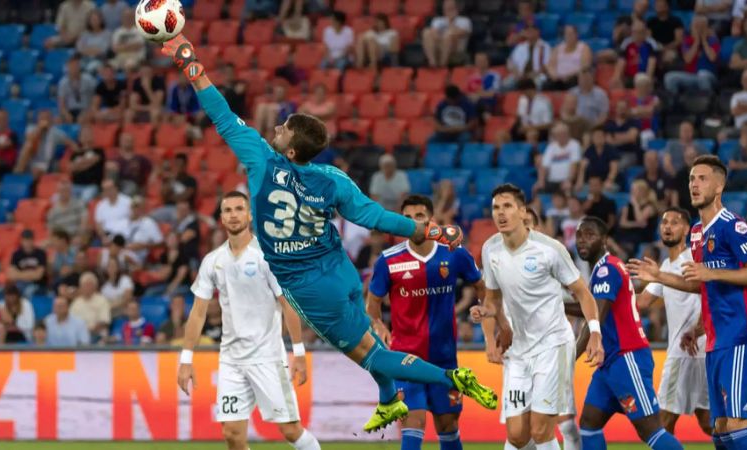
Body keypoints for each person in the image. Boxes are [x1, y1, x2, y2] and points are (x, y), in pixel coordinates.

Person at [162, 33, 497, 433]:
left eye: (285, 127)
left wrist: (189, 61)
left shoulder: (260, 162)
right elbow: (374, 218)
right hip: (340, 271)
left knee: (369, 354)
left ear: (290, 150)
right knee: (365, 341)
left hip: (308, 286)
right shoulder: (331, 179)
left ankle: (449, 378)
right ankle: (390, 399)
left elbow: (219, 111)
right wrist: (430, 229)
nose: (279, 125)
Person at [627, 155, 747, 450]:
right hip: (714, 342)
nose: (694, 184)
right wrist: (661, 276)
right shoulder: (695, 233)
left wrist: (711, 271)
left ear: (719, 186)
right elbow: (700, 285)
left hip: (741, 338)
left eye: (702, 178)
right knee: (718, 429)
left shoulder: (733, 225)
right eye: (692, 178)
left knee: (738, 424)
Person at [177, 191, 321, 450]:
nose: (233, 215)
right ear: (221, 218)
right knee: (232, 434)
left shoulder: (266, 256)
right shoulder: (213, 261)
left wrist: (298, 352)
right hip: (231, 359)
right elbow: (198, 312)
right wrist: (186, 360)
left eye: (238, 209)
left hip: (267, 356)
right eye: (228, 210)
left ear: (249, 215)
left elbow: (288, 304)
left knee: (290, 430)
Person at [470, 184, 603, 450]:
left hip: (552, 346)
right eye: (496, 207)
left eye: (507, 206)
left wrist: (595, 334)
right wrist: (487, 312)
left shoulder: (549, 249)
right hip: (518, 351)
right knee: (518, 436)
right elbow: (493, 299)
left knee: (542, 429)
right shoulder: (490, 249)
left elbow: (584, 294)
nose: (500, 213)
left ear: (522, 211)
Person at [367, 195, 485, 450]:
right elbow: (373, 302)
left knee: (448, 425)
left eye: (419, 216)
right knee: (414, 422)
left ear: (431, 220)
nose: (413, 222)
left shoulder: (454, 253)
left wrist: (483, 307)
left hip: (444, 359)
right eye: (407, 218)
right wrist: (378, 325)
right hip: (406, 359)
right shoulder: (389, 260)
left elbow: (481, 285)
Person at [569, 216, 684, 450]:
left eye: (590, 235)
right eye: (580, 235)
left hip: (626, 358)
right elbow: (591, 309)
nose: (582, 240)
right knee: (589, 422)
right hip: (610, 363)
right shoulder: (603, 269)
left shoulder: (607, 270)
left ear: (604, 240)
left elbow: (595, 319)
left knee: (650, 429)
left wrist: (566, 361)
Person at [635, 208, 712, 437]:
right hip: (700, 352)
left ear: (687, 229)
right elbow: (642, 302)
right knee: (709, 422)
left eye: (675, 222)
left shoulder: (691, 260)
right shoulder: (666, 267)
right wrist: (603, 298)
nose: (668, 226)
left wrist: (697, 329)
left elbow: (707, 294)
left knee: (662, 424)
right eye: (664, 222)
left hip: (684, 352)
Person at [663, 15, 720, 95]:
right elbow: (688, 59)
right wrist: (696, 42)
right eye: (696, 27)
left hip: (709, 76)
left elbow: (712, 58)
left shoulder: (713, 41)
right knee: (669, 77)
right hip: (691, 76)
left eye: (701, 27)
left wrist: (704, 41)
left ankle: (707, 102)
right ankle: (674, 104)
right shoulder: (687, 41)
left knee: (702, 75)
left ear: (707, 28)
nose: (699, 30)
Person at [421, 0, 472, 68]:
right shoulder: (437, 20)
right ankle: (432, 62)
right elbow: (434, 33)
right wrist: (439, 37)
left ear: (456, 7)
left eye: (450, 4)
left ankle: (443, 64)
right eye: (445, 5)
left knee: (448, 35)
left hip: (456, 48)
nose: (447, 6)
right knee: (426, 32)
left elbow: (461, 33)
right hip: (439, 44)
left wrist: (450, 21)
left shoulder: (464, 21)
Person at [535, 122, 582, 195]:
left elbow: (574, 165)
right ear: (555, 136)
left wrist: (569, 180)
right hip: (551, 180)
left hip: (567, 180)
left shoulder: (574, 144)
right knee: (537, 189)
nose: (561, 136)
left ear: (568, 134)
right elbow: (545, 166)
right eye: (558, 134)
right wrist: (541, 181)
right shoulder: (551, 146)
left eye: (564, 133)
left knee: (567, 190)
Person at [611, 20, 657, 89]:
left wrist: (648, 78)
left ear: (645, 32)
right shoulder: (626, 43)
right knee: (616, 82)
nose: (637, 35)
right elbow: (621, 61)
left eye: (640, 32)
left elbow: (652, 63)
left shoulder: (651, 44)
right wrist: (616, 77)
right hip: (629, 76)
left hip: (644, 76)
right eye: (635, 32)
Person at [505, 24, 551, 89]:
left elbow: (547, 65)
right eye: (528, 31)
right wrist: (515, 72)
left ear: (538, 32)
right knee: (506, 84)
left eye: (532, 30)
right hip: (520, 75)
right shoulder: (520, 47)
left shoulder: (545, 46)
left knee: (538, 83)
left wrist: (533, 74)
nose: (529, 33)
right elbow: (510, 62)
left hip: (537, 75)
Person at [70, 271, 111, 342]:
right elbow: (70, 322)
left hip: (97, 335)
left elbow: (104, 322)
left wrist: (88, 331)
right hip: (79, 337)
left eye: (89, 285)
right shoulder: (76, 303)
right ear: (81, 287)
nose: (87, 287)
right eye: (85, 285)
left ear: (95, 286)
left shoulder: (102, 300)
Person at [548, 26, 593, 90]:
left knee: (572, 83)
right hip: (558, 79)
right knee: (547, 85)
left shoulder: (584, 48)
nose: (569, 36)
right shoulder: (558, 48)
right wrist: (554, 75)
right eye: (566, 34)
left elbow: (585, 66)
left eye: (571, 34)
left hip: (574, 77)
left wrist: (569, 76)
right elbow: (551, 65)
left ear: (577, 35)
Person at [7, 229, 48, 298]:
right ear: (21, 240)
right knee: (6, 292)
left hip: (38, 284)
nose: (27, 242)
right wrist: (30, 273)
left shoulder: (41, 253)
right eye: (25, 240)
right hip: (20, 283)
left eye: (29, 240)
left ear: (33, 240)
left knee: (28, 292)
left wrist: (19, 274)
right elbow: (11, 275)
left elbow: (38, 275)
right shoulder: (16, 254)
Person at [69, 126, 105, 202]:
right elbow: (71, 168)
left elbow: (93, 160)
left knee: (83, 200)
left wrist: (78, 164)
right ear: (80, 138)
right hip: (75, 185)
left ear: (92, 136)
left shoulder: (98, 151)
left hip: (91, 186)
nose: (86, 136)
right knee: (58, 198)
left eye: (88, 134)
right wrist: (87, 163)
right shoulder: (75, 153)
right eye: (84, 134)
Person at [577, 128, 619, 193]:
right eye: (596, 136)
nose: (598, 138)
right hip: (592, 183)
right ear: (592, 138)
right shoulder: (589, 150)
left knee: (607, 191)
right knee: (578, 191)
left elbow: (614, 169)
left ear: (604, 138)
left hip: (606, 182)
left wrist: (609, 181)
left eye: (600, 136)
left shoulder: (611, 150)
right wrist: (579, 181)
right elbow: (582, 167)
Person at [58, 57, 97, 124]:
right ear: (67, 67)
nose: (74, 68)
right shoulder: (63, 83)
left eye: (76, 66)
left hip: (85, 109)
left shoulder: (89, 79)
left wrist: (90, 110)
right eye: (71, 66)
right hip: (70, 110)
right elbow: (61, 104)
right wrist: (66, 114)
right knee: (57, 120)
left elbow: (96, 98)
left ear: (79, 66)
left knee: (82, 119)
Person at [513, 78, 553, 142]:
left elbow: (548, 124)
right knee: (504, 134)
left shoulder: (544, 101)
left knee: (531, 134)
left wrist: (530, 128)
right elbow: (520, 117)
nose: (523, 94)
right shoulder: (522, 99)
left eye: (524, 91)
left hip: (539, 129)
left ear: (530, 90)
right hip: (525, 128)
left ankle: (533, 151)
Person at [647, 0, 685, 67]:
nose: (657, 6)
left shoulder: (676, 21)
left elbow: (679, 40)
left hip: (671, 49)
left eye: (660, 4)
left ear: (667, 6)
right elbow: (648, 39)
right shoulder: (651, 22)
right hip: (655, 48)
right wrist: (657, 47)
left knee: (670, 56)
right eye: (656, 4)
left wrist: (665, 48)